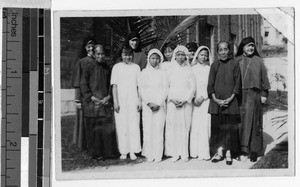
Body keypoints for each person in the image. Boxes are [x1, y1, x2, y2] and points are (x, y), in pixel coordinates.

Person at [235, 36, 270, 162]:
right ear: (242, 48)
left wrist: (264, 94)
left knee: (255, 123)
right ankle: (242, 149)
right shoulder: (237, 60)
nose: (251, 48)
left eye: (252, 46)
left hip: (254, 95)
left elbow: (264, 80)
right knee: (241, 123)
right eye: (248, 45)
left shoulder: (259, 61)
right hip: (240, 96)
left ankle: (254, 150)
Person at [80, 44, 118, 160]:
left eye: (102, 54)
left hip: (104, 103)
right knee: (94, 130)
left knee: (106, 129)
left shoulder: (107, 68)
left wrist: (108, 97)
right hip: (92, 104)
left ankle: (108, 153)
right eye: (98, 54)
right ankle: (96, 153)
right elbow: (83, 83)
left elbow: (110, 85)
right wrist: (91, 97)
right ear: (94, 54)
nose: (101, 56)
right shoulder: (88, 66)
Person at [207, 42, 241, 165]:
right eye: (220, 50)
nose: (223, 52)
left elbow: (237, 84)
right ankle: (219, 152)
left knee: (229, 129)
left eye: (225, 49)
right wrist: (216, 100)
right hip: (216, 103)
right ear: (217, 52)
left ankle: (229, 153)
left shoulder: (235, 64)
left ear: (229, 51)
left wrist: (230, 98)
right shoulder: (214, 65)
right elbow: (210, 85)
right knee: (218, 129)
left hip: (231, 103)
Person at [165, 45, 196, 162]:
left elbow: (192, 87)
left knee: (184, 127)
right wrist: (172, 99)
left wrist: (185, 100)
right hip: (173, 103)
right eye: (178, 54)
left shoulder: (189, 70)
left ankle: (184, 153)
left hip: (185, 103)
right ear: (175, 56)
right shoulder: (170, 70)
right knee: (173, 127)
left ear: (186, 56)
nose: (181, 57)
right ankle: (174, 153)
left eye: (183, 54)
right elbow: (166, 86)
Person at [111, 46, 142, 160]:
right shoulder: (117, 67)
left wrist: (139, 100)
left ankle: (133, 151)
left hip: (133, 100)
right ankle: (124, 151)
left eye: (129, 54)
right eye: (125, 54)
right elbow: (114, 86)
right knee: (122, 125)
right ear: (121, 55)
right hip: (121, 100)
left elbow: (139, 86)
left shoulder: (136, 68)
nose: (127, 57)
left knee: (133, 125)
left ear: (132, 55)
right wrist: (115, 101)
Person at [138, 49, 169, 163]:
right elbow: (141, 89)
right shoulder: (143, 73)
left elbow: (166, 89)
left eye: (157, 58)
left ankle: (158, 154)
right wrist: (148, 102)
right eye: (152, 58)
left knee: (158, 129)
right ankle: (149, 154)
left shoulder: (163, 73)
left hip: (160, 105)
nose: (155, 61)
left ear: (160, 59)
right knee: (148, 129)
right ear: (148, 59)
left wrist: (159, 103)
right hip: (148, 105)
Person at [71, 36, 97, 151]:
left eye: (93, 46)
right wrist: (77, 100)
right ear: (85, 48)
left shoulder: (98, 61)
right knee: (83, 121)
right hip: (84, 96)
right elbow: (77, 82)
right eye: (89, 46)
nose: (91, 49)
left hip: (95, 95)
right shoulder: (81, 62)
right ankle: (83, 144)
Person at [189, 46, 212, 161]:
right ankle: (194, 152)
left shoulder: (210, 69)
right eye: (201, 54)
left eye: (206, 55)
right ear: (197, 55)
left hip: (205, 100)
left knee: (204, 126)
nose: (203, 57)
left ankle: (204, 152)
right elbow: (189, 85)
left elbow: (211, 86)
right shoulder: (192, 69)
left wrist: (203, 97)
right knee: (195, 126)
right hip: (194, 101)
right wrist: (193, 98)